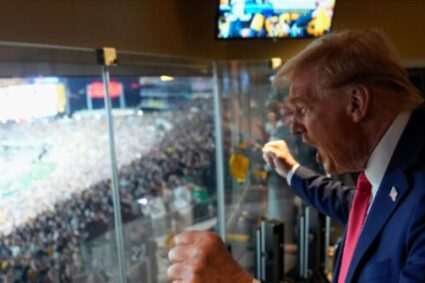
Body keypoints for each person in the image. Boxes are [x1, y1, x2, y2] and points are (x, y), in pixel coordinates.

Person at [167, 29, 425, 283]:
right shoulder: (387, 176)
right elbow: (357, 206)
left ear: (356, 103)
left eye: (303, 108)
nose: (294, 127)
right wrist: (290, 170)